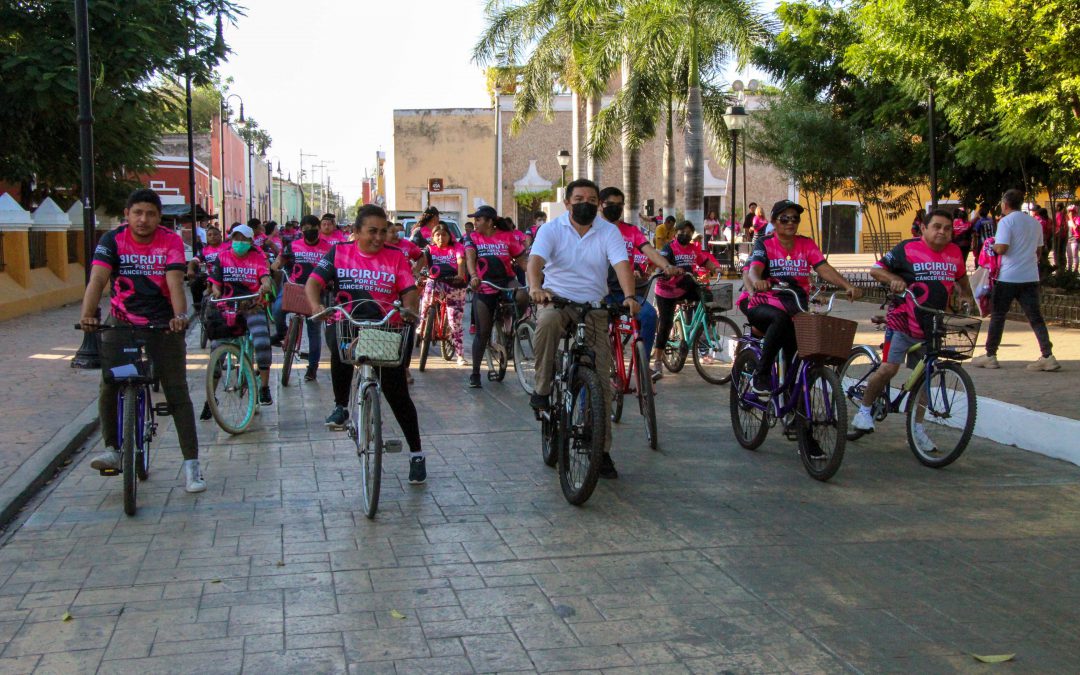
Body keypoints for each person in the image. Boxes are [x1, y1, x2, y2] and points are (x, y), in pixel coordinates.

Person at [79, 188, 204, 493]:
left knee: (177, 392)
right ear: (127, 215)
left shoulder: (170, 241)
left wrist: (180, 316)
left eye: (150, 213)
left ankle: (192, 465)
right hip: (122, 323)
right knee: (110, 383)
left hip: (164, 325)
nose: (143, 219)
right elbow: (98, 279)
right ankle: (112, 448)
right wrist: (88, 315)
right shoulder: (112, 240)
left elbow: (175, 282)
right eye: (137, 213)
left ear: (159, 217)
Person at [305, 205, 427, 484]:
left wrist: (409, 312)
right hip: (347, 322)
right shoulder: (338, 253)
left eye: (383, 231)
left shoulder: (396, 257)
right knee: (339, 342)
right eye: (372, 231)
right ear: (356, 232)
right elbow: (313, 284)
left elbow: (409, 292)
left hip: (385, 327)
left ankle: (417, 453)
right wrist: (316, 307)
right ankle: (341, 406)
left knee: (398, 396)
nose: (378, 237)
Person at [528, 179, 640, 479]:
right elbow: (535, 261)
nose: (586, 203)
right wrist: (536, 287)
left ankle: (601, 451)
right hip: (557, 300)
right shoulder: (551, 229)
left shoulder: (608, 231)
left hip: (594, 307)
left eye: (592, 199)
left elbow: (621, 265)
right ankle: (542, 387)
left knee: (601, 381)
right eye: (579, 198)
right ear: (567, 203)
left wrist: (629, 296)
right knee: (547, 322)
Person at [851, 209, 975, 436]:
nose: (942, 232)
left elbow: (960, 277)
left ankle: (917, 429)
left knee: (926, 376)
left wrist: (966, 294)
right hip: (903, 320)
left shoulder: (955, 252)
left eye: (947, 228)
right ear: (924, 229)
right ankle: (864, 411)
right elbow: (876, 270)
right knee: (889, 368)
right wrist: (894, 279)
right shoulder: (906, 249)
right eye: (936, 226)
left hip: (934, 324)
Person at [739, 200, 862, 399]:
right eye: (784, 219)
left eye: (795, 219)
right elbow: (754, 269)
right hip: (764, 304)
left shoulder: (806, 243)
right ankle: (761, 375)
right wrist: (757, 282)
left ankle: (793, 410)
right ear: (773, 221)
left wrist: (847, 286)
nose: (790, 223)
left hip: (796, 308)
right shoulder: (765, 243)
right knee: (780, 319)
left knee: (794, 355)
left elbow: (823, 268)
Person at [971, 189, 1059, 371]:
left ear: (1005, 204)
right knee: (1035, 317)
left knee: (998, 315)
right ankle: (1047, 355)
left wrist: (991, 245)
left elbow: (1002, 248)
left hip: (1008, 277)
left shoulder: (1006, 222)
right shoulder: (1034, 223)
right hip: (1030, 276)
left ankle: (990, 355)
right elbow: (1039, 251)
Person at [599, 187, 674, 362]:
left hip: (625, 292)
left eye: (619, 205)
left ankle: (643, 365)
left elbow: (651, 251)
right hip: (599, 292)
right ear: (600, 205)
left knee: (649, 316)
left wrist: (666, 266)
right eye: (610, 204)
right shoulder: (592, 230)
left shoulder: (632, 231)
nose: (615, 208)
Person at [208, 223, 276, 407]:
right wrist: (215, 291)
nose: (238, 242)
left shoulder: (258, 257)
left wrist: (265, 285)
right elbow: (215, 282)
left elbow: (265, 276)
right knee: (216, 348)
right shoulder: (222, 257)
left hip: (252, 304)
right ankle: (210, 397)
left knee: (262, 343)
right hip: (227, 306)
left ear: (250, 241)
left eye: (243, 239)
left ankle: (264, 387)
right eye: (235, 238)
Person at [463, 205, 527, 388]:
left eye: (479, 219)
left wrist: (538, 277)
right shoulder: (472, 237)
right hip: (484, 284)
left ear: (490, 222)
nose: (475, 223)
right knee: (483, 332)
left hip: (506, 280)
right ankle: (475, 373)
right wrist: (474, 276)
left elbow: (523, 261)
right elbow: (469, 258)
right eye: (474, 219)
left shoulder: (507, 237)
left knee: (522, 295)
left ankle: (511, 329)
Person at [652, 221, 720, 380]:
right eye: (682, 231)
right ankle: (657, 361)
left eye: (689, 232)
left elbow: (704, 261)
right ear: (676, 233)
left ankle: (707, 321)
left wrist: (715, 268)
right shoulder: (669, 248)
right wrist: (669, 269)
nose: (685, 234)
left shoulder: (693, 249)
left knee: (706, 294)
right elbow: (662, 264)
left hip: (684, 286)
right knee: (665, 323)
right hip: (666, 291)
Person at [270, 215, 331, 381]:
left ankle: (312, 367)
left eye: (313, 227)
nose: (309, 230)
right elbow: (281, 259)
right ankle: (281, 332)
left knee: (314, 330)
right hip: (294, 287)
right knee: (277, 309)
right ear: (301, 229)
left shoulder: (328, 248)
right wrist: (276, 265)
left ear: (318, 228)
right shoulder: (293, 246)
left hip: (316, 293)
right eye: (305, 227)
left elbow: (334, 267)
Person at [414, 221, 468, 366]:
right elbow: (421, 263)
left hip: (454, 284)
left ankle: (460, 355)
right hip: (436, 282)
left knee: (454, 322)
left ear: (449, 236)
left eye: (444, 235)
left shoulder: (457, 247)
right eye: (437, 235)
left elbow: (461, 261)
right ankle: (423, 321)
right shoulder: (429, 249)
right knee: (428, 291)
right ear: (432, 237)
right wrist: (416, 274)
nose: (440, 238)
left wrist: (460, 275)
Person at [187, 224, 223, 309]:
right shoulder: (204, 250)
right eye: (209, 235)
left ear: (220, 236)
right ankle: (199, 309)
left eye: (215, 234)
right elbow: (194, 261)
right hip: (209, 276)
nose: (212, 237)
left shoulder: (228, 247)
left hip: (224, 275)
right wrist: (190, 269)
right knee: (195, 284)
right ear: (206, 237)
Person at [1067, 204, 1080, 272]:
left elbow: (1076, 228)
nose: (1070, 213)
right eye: (1069, 211)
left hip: (1075, 239)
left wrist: (1071, 219)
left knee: (1075, 255)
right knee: (1069, 256)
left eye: (1072, 211)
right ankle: (1069, 270)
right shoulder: (1068, 220)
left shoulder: (1078, 219)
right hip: (1068, 239)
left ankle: (1075, 270)